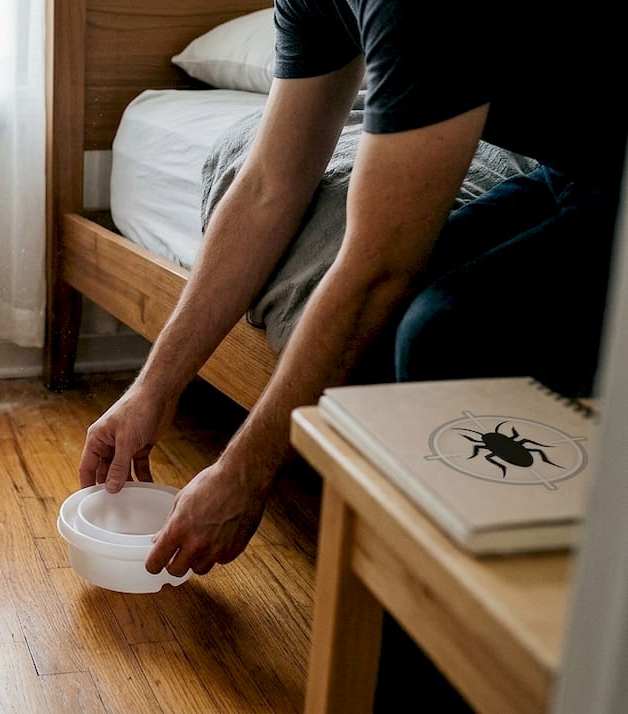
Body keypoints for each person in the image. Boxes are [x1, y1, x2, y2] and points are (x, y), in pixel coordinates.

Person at [79, 2, 624, 588]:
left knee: (435, 331)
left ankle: (475, 630)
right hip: (573, 169)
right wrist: (153, 389)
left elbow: (376, 269)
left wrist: (244, 473)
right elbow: (268, 187)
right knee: (381, 334)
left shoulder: (412, 12)